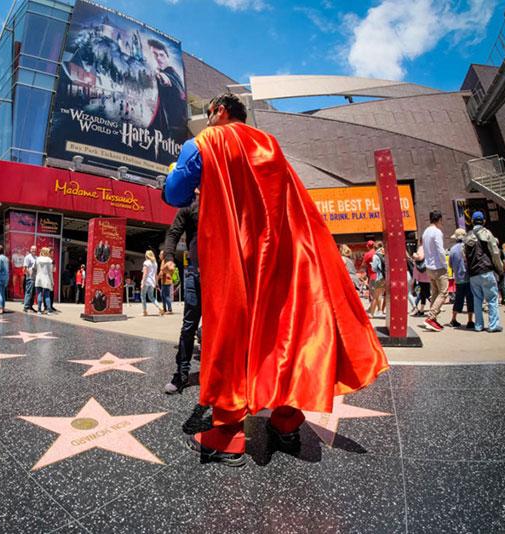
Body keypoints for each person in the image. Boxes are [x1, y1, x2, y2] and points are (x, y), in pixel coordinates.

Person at [163, 92, 387, 465]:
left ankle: (227, 435)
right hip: (278, 259)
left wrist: (174, 171)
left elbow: (175, 193)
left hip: (234, 260)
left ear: (219, 111)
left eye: (208, 114)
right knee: (282, 336)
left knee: (230, 337)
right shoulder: (270, 145)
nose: (207, 120)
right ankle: (286, 424)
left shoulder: (205, 142)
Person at [162, 197, 200, 394]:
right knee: (188, 326)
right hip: (195, 275)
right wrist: (169, 258)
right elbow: (174, 232)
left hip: (221, 276)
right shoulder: (190, 204)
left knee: (220, 329)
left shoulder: (225, 200)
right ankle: (181, 373)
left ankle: (220, 376)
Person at [464, 211, 503, 332]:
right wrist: (500, 268)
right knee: (492, 298)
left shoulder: (467, 236)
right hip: (486, 270)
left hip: (473, 273)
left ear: (472, 221)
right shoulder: (487, 233)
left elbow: (464, 256)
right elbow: (495, 252)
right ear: (484, 221)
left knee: (477, 299)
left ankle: (478, 325)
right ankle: (493, 325)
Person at [147, 38, 187, 140]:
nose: (158, 58)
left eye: (161, 55)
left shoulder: (169, 74)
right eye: (155, 55)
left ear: (167, 57)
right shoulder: (173, 74)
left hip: (170, 133)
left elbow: (167, 81)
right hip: (165, 132)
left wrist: (160, 75)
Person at [422, 210, 448, 332]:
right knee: (443, 293)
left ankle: (433, 319)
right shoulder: (437, 232)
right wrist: (445, 264)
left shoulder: (426, 232)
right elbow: (440, 250)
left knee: (435, 293)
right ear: (439, 220)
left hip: (429, 267)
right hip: (438, 266)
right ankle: (431, 317)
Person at [447, 228, 474, 329]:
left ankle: (453, 319)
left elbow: (450, 264)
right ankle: (470, 320)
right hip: (469, 277)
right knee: (470, 299)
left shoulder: (453, 249)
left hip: (458, 278)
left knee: (459, 299)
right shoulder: (468, 247)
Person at [35, 247, 55, 314]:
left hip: (39, 278)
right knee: (47, 295)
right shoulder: (49, 260)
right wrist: (52, 281)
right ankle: (49, 310)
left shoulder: (37, 259)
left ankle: (39, 310)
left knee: (39, 294)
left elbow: (34, 268)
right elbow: (50, 272)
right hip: (46, 279)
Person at [369, 242, 386, 319]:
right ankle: (380, 311)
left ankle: (371, 314)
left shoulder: (376, 256)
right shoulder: (384, 253)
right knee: (380, 295)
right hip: (384, 277)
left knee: (375, 296)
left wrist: (372, 264)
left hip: (379, 277)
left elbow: (374, 268)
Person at [141, 250, 158, 316]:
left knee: (143, 296)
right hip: (152, 282)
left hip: (146, 282)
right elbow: (155, 274)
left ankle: (145, 311)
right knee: (151, 297)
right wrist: (156, 283)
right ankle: (160, 307)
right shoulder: (155, 263)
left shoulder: (146, 262)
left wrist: (142, 282)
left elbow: (145, 274)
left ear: (146, 255)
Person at [158, 250, 174, 315]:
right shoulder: (164, 261)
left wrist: (157, 278)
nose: (159, 255)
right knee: (163, 295)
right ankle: (164, 309)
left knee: (166, 295)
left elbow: (162, 271)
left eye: (160, 254)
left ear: (163, 255)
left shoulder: (164, 261)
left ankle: (169, 309)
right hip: (164, 281)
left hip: (166, 281)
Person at [23, 245, 37, 312]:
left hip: (35, 278)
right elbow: (25, 267)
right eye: (32, 249)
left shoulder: (36, 257)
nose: (34, 250)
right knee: (28, 292)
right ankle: (26, 307)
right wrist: (29, 273)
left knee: (33, 293)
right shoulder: (27, 257)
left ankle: (30, 306)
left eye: (35, 249)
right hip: (30, 277)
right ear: (30, 250)